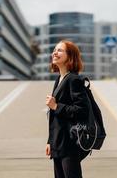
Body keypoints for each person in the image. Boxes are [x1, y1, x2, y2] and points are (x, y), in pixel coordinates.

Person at [45, 40, 91, 178]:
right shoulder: (60, 79)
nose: (55, 52)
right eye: (54, 50)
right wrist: (50, 141)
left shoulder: (74, 80)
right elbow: (56, 117)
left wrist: (56, 106)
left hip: (70, 143)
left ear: (70, 57)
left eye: (60, 50)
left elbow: (82, 110)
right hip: (58, 143)